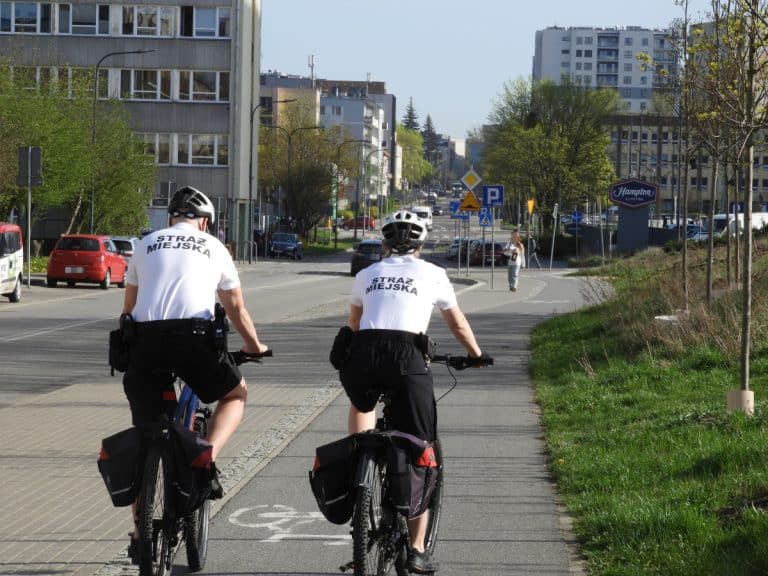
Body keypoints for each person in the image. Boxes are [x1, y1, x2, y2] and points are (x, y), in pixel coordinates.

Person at [120, 186, 268, 559]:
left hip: (145, 345)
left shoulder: (144, 244)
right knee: (235, 394)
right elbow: (235, 307)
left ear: (170, 218)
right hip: (194, 341)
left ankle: (140, 536)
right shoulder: (214, 247)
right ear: (205, 222)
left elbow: (129, 308)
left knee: (146, 435)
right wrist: (254, 347)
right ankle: (204, 458)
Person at [339, 209, 484, 574]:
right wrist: (475, 355)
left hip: (363, 355)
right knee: (423, 448)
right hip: (407, 357)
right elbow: (456, 321)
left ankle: (360, 462)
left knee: (362, 401)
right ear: (419, 245)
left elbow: (353, 324)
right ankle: (417, 549)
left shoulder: (367, 273)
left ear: (385, 244)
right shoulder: (434, 274)